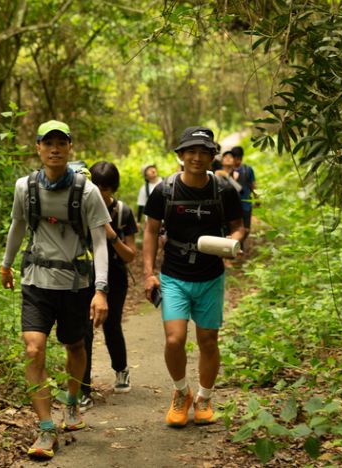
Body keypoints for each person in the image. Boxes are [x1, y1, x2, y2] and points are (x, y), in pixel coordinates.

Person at [0, 120, 110, 460]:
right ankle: (46, 428)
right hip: (35, 281)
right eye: (48, 143)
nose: (55, 148)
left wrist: (101, 289)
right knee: (33, 350)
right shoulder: (25, 188)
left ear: (69, 148)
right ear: (38, 148)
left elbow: (100, 241)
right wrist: (6, 264)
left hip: (75, 285)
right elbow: (18, 225)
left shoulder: (86, 192)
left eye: (61, 142)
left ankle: (73, 400)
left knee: (75, 345)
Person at [142, 126, 245, 428]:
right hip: (174, 274)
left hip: (211, 275)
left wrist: (233, 243)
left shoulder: (223, 190)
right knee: (174, 340)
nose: (197, 157)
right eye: (191, 151)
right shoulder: (165, 190)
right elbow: (150, 230)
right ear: (181, 156)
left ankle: (204, 398)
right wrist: (149, 274)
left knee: (208, 340)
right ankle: (180, 392)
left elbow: (239, 226)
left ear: (213, 156)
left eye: (204, 152)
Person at [81, 161, 138, 409]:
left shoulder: (123, 212)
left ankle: (121, 369)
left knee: (111, 324)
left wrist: (110, 234)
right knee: (83, 330)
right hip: (82, 275)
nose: (101, 192)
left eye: (105, 187)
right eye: (96, 186)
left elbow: (130, 255)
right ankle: (83, 387)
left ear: (113, 188)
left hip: (114, 275)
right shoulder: (79, 209)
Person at [229, 146, 258, 239]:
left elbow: (253, 185)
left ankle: (240, 244)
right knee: (232, 228)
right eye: (236, 158)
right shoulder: (227, 170)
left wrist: (257, 198)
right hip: (232, 204)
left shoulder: (247, 169)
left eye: (239, 158)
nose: (238, 161)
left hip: (246, 203)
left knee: (246, 229)